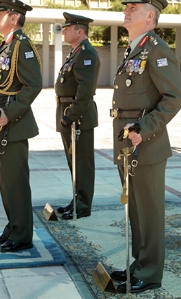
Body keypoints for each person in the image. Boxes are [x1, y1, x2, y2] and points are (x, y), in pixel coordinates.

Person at [109, 0, 181, 294]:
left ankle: (151, 272)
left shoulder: (157, 50)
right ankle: (139, 263)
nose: (126, 10)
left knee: (150, 212)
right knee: (136, 210)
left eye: (133, 7)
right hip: (128, 140)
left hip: (146, 144)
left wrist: (145, 128)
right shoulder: (136, 48)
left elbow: (174, 97)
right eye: (127, 6)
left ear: (150, 16)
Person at [0, 0, 42, 252]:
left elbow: (33, 85)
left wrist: (10, 113)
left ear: (14, 17)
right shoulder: (7, 45)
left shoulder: (22, 45)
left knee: (16, 181)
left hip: (13, 122)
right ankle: (13, 228)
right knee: (6, 181)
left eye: (0, 13)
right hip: (1, 119)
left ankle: (22, 235)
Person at [55, 12, 101, 220]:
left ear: (79, 31)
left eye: (68, 27)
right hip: (69, 114)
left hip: (78, 117)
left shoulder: (86, 54)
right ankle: (77, 198)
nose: (64, 31)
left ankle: (83, 205)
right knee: (74, 162)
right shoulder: (75, 53)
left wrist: (71, 116)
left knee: (82, 163)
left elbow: (85, 91)